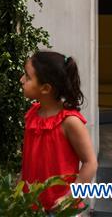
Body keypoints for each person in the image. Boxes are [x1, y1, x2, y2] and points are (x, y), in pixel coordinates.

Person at [20, 50, 98, 213]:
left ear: (46, 88)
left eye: (27, 77)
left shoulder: (70, 122)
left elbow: (90, 163)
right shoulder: (32, 115)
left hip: (61, 210)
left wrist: (70, 197)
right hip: (32, 208)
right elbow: (30, 161)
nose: (21, 80)